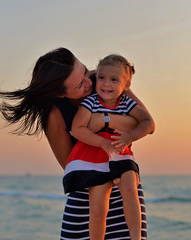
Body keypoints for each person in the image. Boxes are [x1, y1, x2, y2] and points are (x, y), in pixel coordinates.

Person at [0, 48, 155, 239]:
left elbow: (147, 124)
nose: (91, 82)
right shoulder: (54, 115)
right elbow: (69, 163)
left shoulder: (109, 78)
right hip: (87, 194)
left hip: (125, 190)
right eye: (80, 85)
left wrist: (104, 120)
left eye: (85, 72)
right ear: (61, 94)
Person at [63, 54, 152, 240]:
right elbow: (76, 129)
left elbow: (147, 122)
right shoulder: (91, 102)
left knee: (130, 189)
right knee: (98, 208)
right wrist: (102, 142)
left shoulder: (127, 103)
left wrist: (130, 137)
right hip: (95, 157)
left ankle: (136, 237)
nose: (106, 84)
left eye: (114, 80)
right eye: (101, 78)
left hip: (121, 153)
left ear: (126, 85)